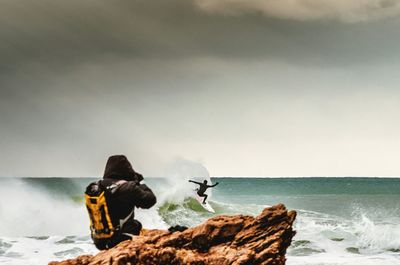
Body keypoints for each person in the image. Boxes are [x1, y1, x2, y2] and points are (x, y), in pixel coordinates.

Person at [85, 155, 156, 250]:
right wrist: (139, 183)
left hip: (99, 241)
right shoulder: (127, 187)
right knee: (137, 226)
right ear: (126, 169)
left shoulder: (96, 187)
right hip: (121, 238)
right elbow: (150, 201)